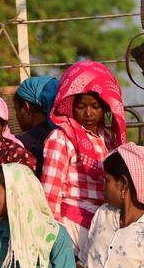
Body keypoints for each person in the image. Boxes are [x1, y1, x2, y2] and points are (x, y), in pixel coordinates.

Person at [40, 61, 127, 251]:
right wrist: (55, 242)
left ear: (105, 107)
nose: (88, 113)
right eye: (81, 106)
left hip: (105, 225)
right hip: (72, 226)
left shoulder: (108, 140)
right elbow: (50, 195)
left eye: (95, 106)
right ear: (70, 105)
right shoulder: (61, 138)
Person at [14, 75, 59, 170]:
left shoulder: (18, 144)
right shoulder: (68, 137)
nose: (16, 115)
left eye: (17, 109)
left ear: (27, 107)